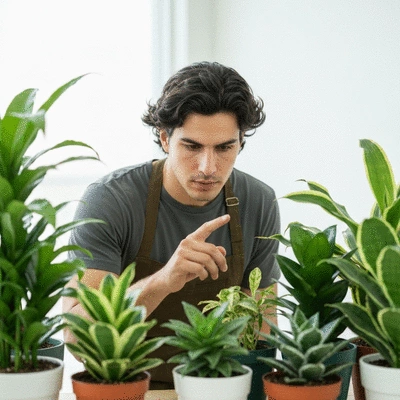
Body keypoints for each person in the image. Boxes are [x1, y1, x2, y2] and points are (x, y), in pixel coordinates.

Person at [63, 61, 281, 388]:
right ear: (165, 139)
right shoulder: (109, 201)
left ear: (241, 142)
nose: (208, 167)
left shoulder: (259, 202)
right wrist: (164, 280)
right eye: (191, 146)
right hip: (131, 392)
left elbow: (262, 329)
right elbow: (77, 336)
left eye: (225, 148)